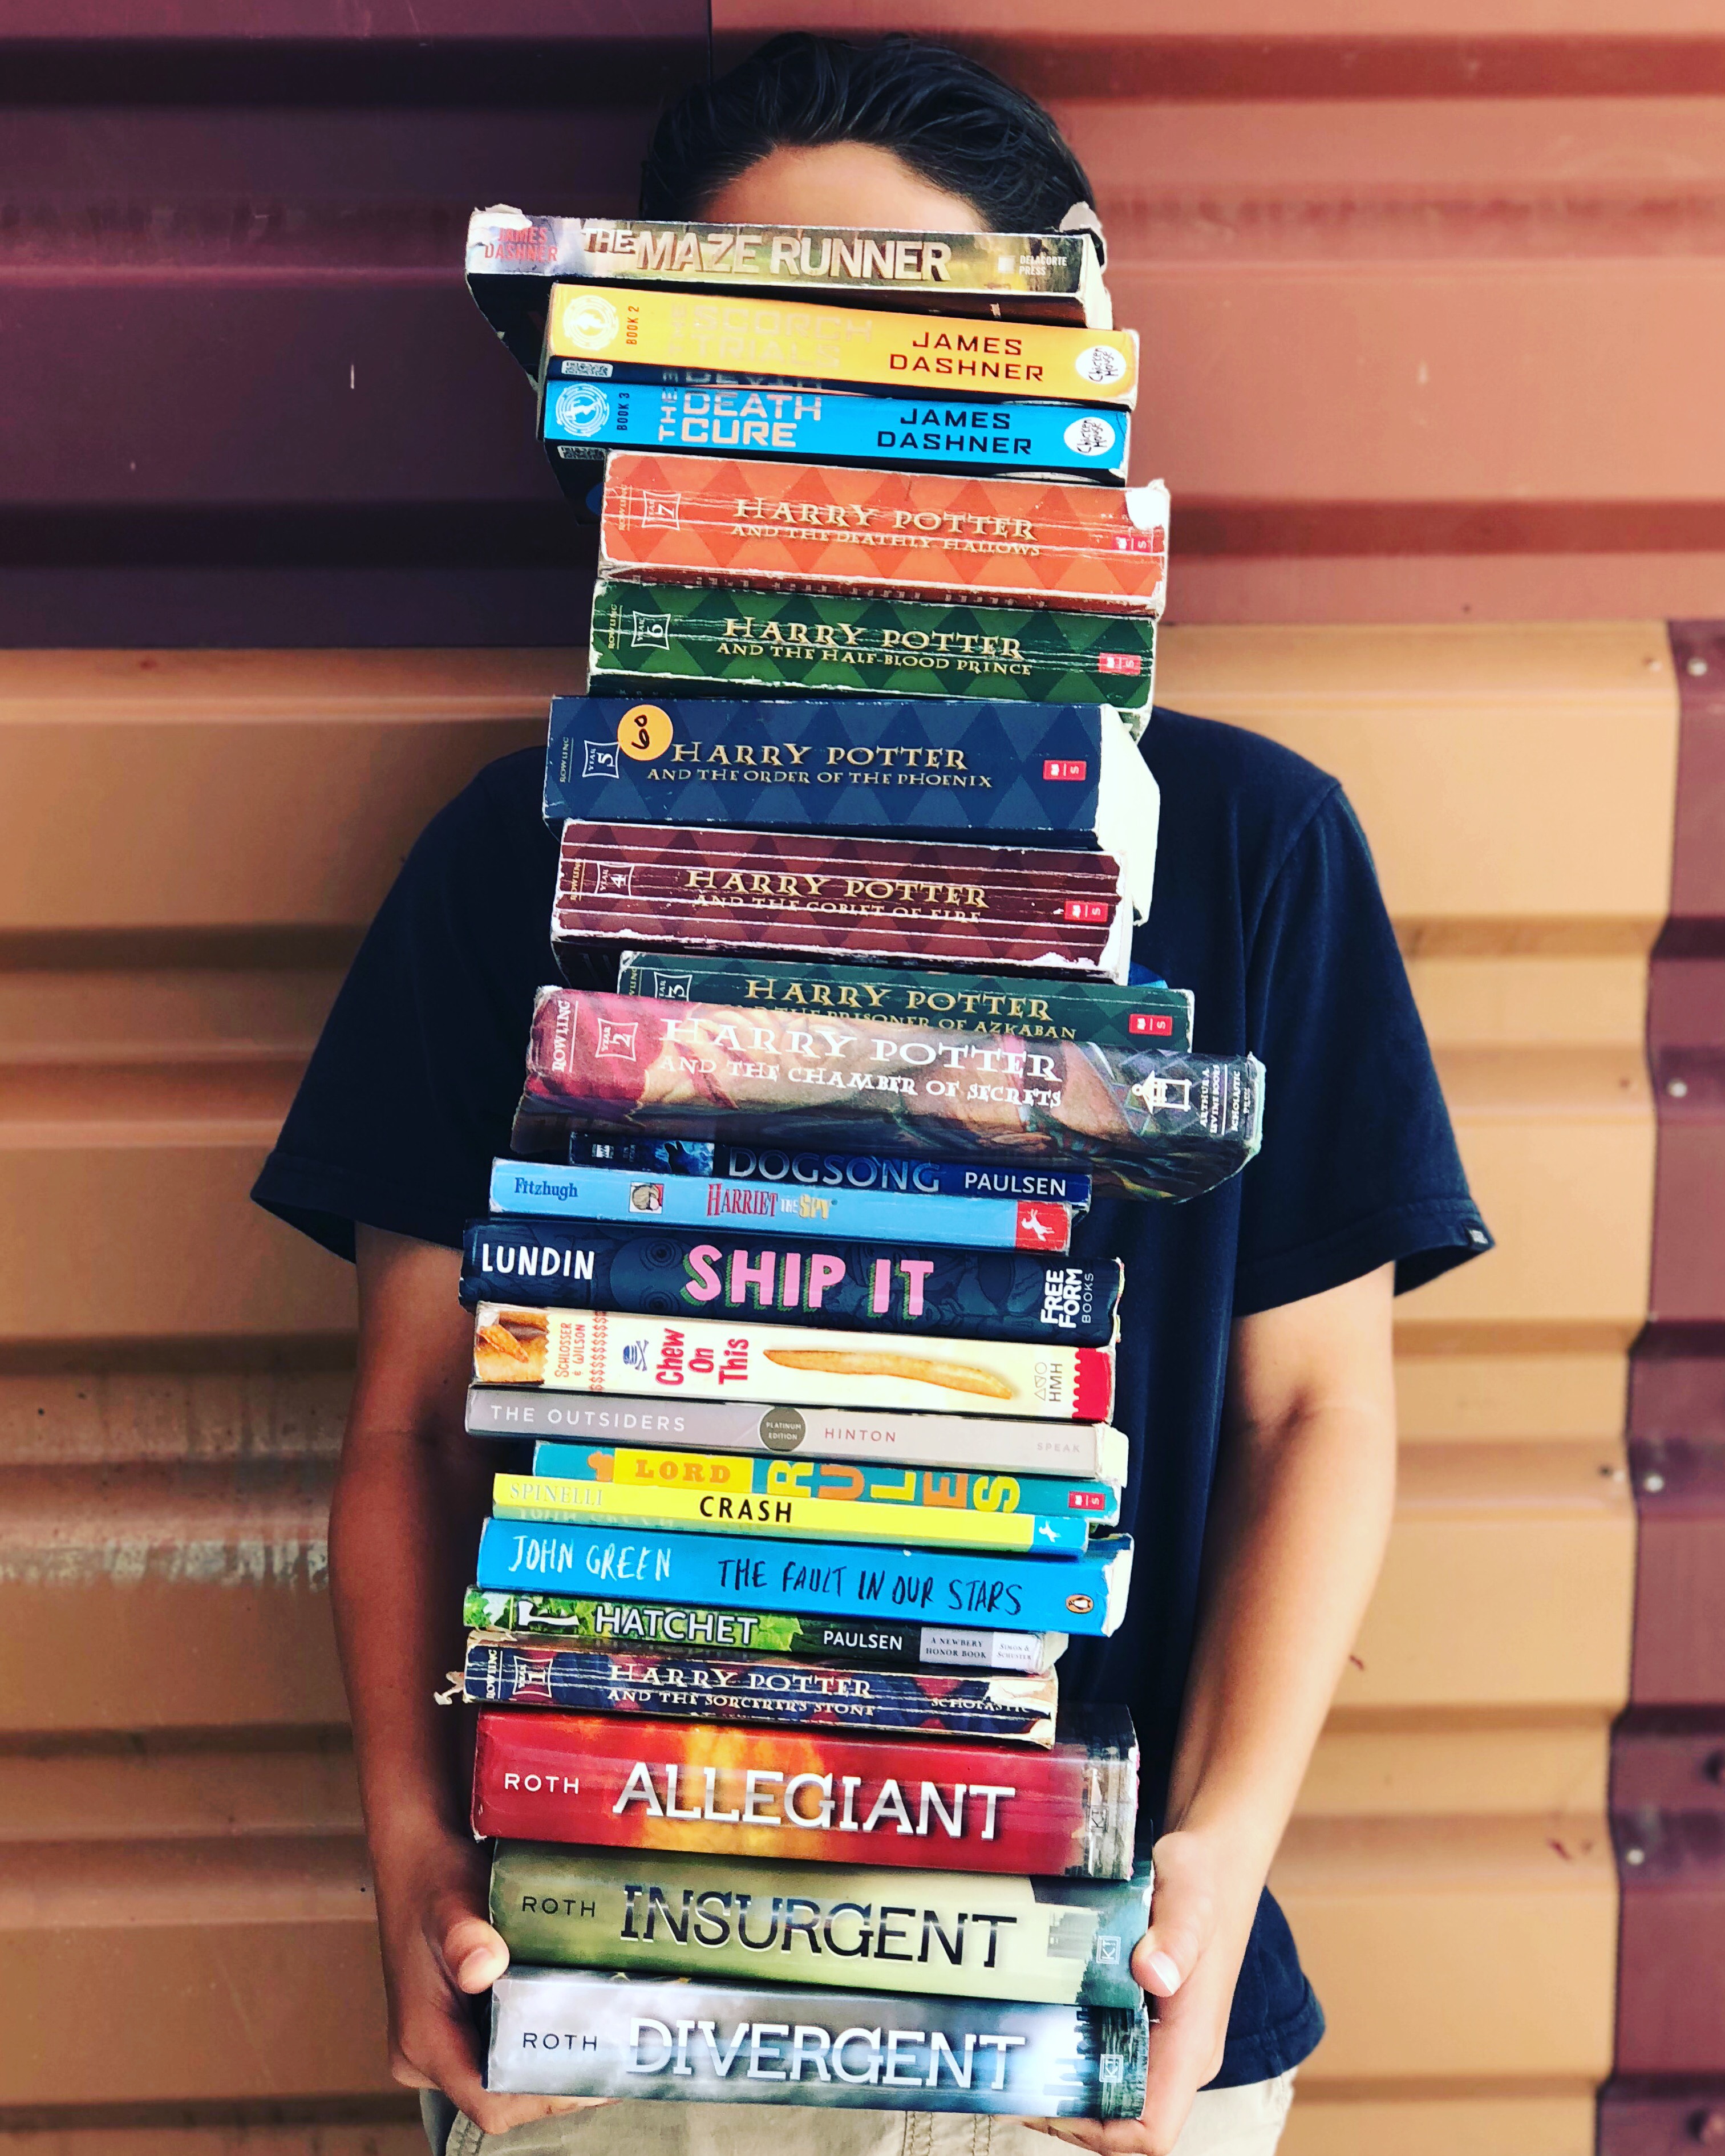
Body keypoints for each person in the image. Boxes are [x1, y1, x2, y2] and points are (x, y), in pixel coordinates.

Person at [253, 31, 1491, 2156]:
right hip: (613, 1998)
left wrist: (1207, 1854)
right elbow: (400, 1417)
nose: (850, 436)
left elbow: (1316, 1410)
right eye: (773, 357)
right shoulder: (525, 849)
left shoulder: (1250, 843)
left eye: (917, 342)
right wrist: (410, 1851)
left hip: (1110, 2010)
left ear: (1064, 355)